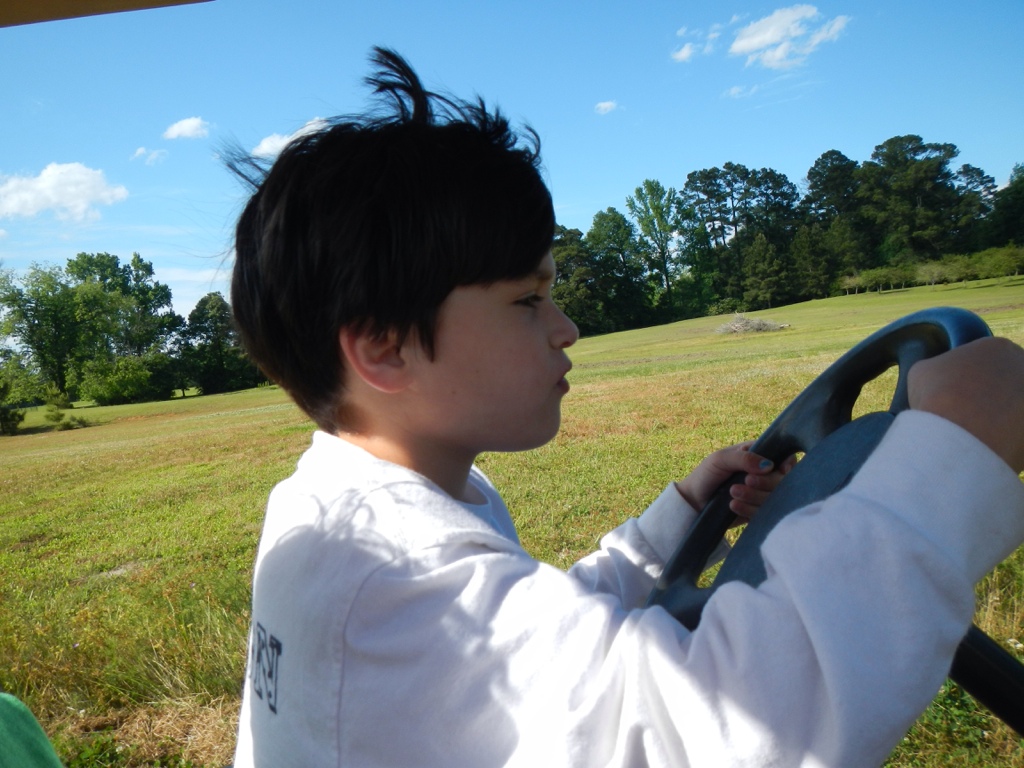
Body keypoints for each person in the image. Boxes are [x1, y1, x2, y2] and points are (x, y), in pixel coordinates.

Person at [228, 48, 1024, 767]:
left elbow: (548, 645)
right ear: (385, 349)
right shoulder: (395, 574)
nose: (566, 329)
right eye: (527, 300)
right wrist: (949, 455)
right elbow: (723, 733)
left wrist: (677, 522)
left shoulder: (351, 509)